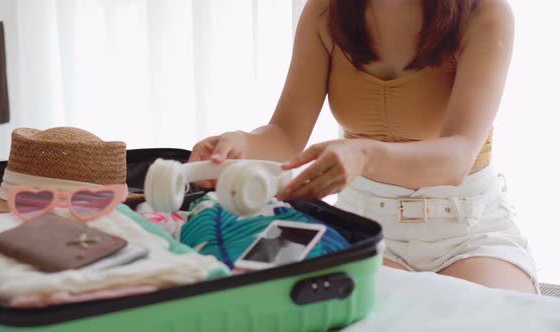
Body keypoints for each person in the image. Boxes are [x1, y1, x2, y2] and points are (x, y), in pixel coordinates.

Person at [189, 0, 537, 293]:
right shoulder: (326, 11)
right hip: (365, 222)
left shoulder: (484, 12)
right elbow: (285, 133)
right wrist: (239, 145)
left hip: (468, 229)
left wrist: (364, 154)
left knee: (490, 316)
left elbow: (457, 157)